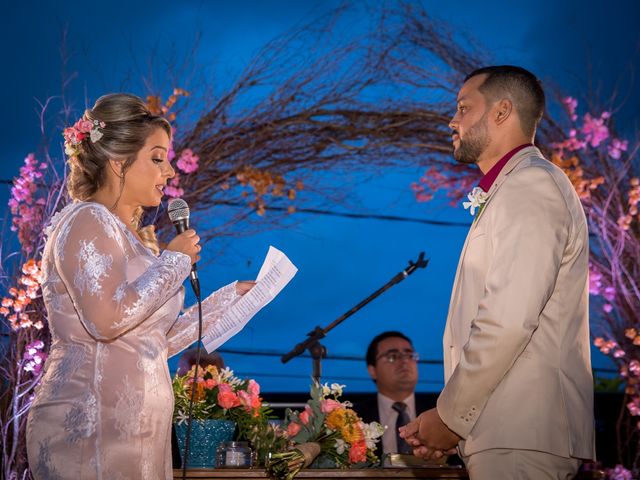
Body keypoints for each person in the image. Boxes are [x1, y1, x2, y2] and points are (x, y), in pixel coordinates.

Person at [26, 93, 254, 479]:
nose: (168, 173)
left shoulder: (132, 239)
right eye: (156, 158)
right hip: (93, 424)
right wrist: (175, 260)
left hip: (140, 432)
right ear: (118, 163)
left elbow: (152, 341)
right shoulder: (87, 220)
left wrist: (229, 301)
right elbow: (107, 321)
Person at [400, 66, 595, 479]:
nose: (453, 121)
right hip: (504, 432)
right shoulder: (513, 187)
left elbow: (508, 320)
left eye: (464, 107)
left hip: (522, 432)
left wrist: (450, 417)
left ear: (503, 111)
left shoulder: (531, 186)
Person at [357, 331, 430, 458]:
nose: (404, 361)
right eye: (393, 356)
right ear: (372, 371)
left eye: (409, 355)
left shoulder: (439, 412)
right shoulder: (354, 418)